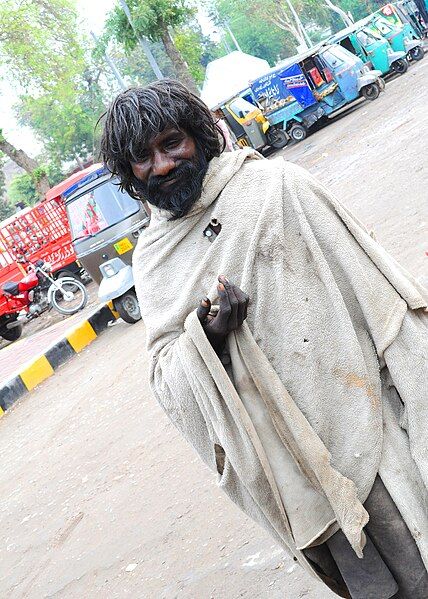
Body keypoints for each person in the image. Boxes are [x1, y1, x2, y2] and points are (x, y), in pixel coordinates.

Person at [100, 80, 428, 599]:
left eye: (171, 143)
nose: (161, 166)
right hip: (289, 463)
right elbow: (166, 378)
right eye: (143, 157)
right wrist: (206, 335)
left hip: (360, 413)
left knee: (416, 558)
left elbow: (372, 286)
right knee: (368, 586)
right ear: (128, 173)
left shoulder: (275, 187)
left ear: (199, 136)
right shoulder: (154, 256)